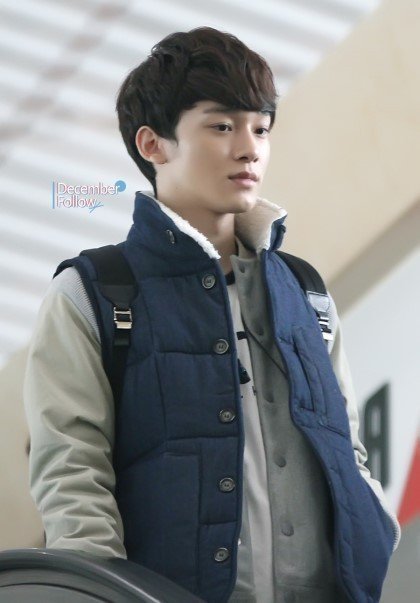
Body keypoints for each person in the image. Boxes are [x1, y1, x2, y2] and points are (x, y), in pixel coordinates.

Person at [24, 26, 400, 603]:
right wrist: (104, 594)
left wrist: (376, 530)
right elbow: (72, 471)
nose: (249, 148)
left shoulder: (306, 292)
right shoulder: (94, 293)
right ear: (153, 145)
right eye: (222, 126)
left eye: (261, 128)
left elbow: (347, 450)